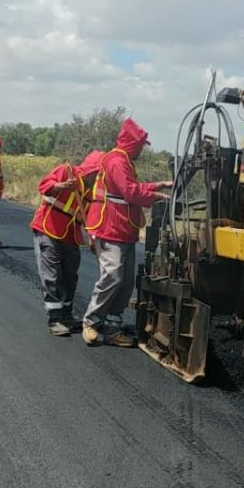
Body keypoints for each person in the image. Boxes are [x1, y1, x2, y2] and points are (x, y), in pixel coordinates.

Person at [81, 118, 171, 347]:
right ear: (132, 143)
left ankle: (113, 328)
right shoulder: (116, 161)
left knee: (126, 281)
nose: (142, 148)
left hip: (123, 230)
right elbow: (131, 192)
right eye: (141, 144)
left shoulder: (125, 161)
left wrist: (157, 185)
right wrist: (157, 196)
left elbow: (133, 188)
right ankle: (91, 321)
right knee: (113, 276)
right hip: (110, 228)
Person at [31, 160, 87, 336]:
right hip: (49, 229)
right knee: (52, 275)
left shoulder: (92, 187)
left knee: (70, 276)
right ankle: (54, 319)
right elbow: (44, 187)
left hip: (70, 235)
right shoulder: (66, 171)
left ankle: (66, 316)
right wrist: (61, 185)